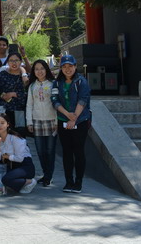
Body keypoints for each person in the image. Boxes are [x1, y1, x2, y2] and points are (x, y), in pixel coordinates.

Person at [52, 54, 91, 193]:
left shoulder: (81, 81)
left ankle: (78, 182)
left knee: (79, 151)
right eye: (64, 66)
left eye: (70, 66)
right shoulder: (57, 83)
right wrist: (67, 115)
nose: (67, 69)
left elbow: (83, 99)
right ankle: (69, 181)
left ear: (75, 66)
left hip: (80, 121)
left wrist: (73, 118)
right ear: (61, 68)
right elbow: (54, 100)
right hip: (63, 120)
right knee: (67, 152)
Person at [26, 60, 57, 187]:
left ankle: (49, 176)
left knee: (50, 150)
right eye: (36, 69)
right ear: (33, 71)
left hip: (51, 121)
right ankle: (45, 174)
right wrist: (29, 122)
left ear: (46, 70)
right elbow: (29, 105)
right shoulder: (32, 86)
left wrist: (57, 121)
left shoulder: (53, 84)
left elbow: (57, 104)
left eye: (42, 68)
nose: (39, 71)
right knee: (40, 151)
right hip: (37, 121)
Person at [0, 113, 37, 194]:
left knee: (5, 180)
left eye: (2, 123)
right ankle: (19, 183)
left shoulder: (15, 137)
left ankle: (30, 181)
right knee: (0, 179)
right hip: (12, 165)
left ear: (7, 124)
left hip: (25, 165)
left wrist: (7, 156)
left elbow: (20, 158)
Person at [0, 52, 29, 133]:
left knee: (19, 134)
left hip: (20, 110)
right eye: (11, 60)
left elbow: (30, 95)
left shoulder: (25, 76)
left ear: (21, 62)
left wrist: (14, 94)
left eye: (16, 60)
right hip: (4, 111)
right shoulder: (3, 75)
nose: (14, 63)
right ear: (7, 62)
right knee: (4, 134)